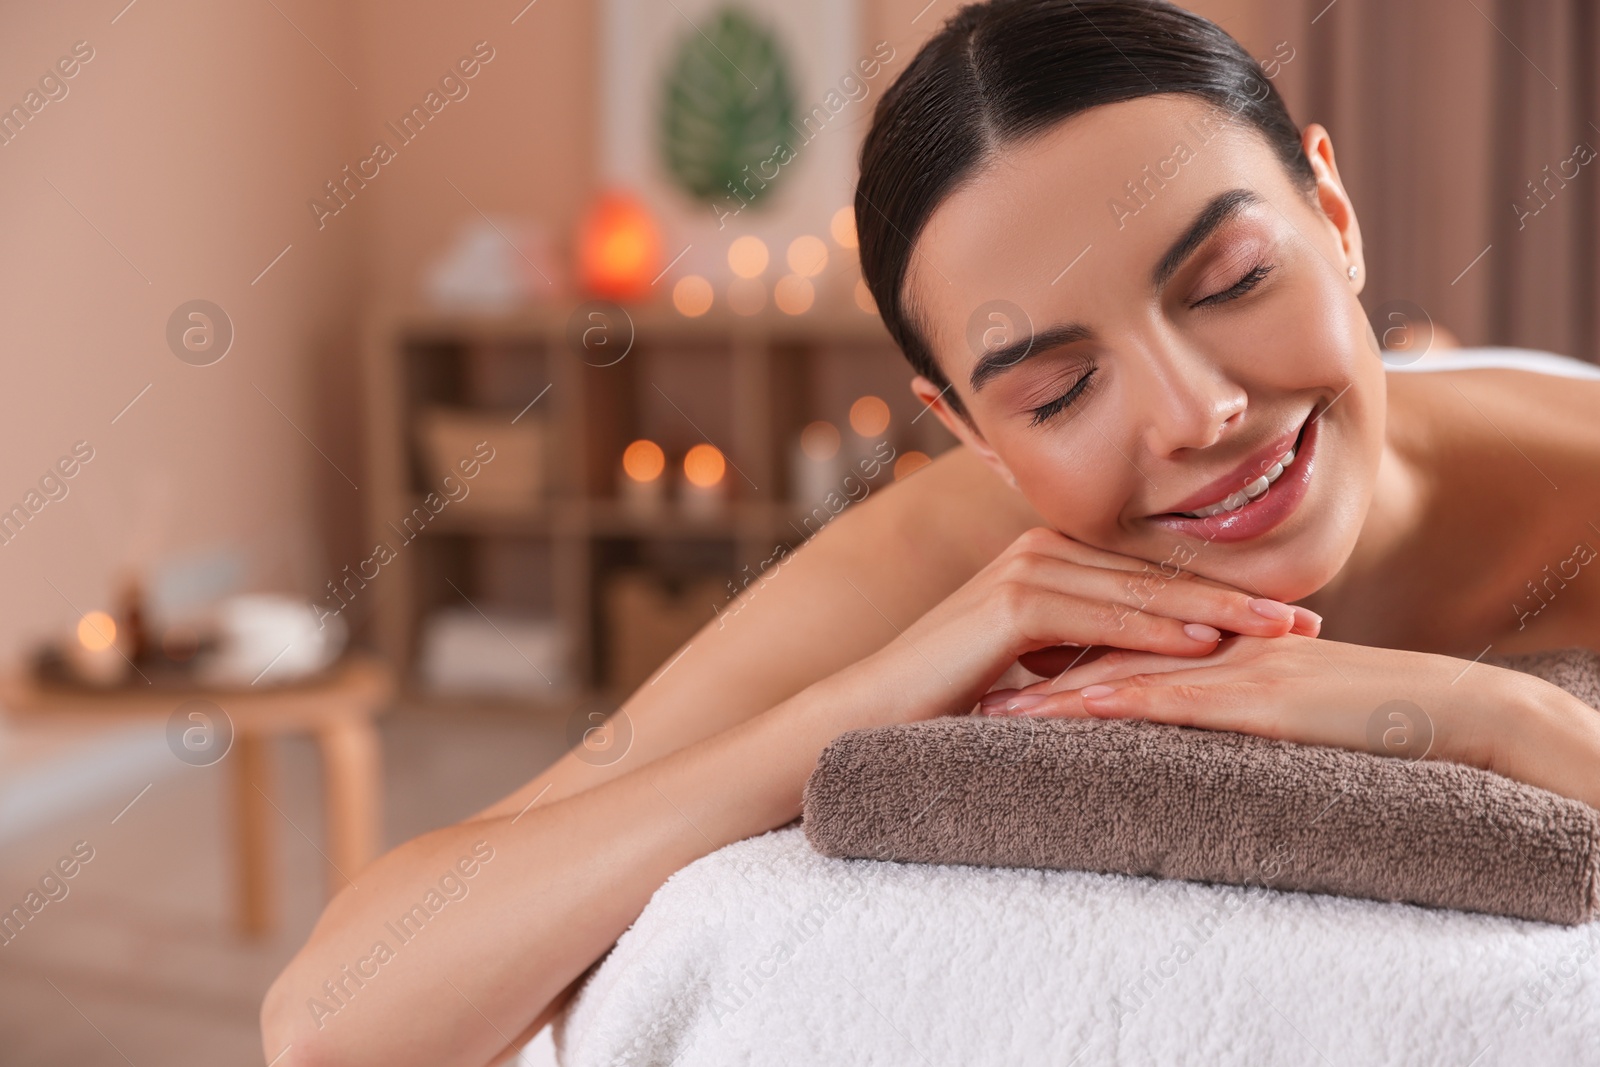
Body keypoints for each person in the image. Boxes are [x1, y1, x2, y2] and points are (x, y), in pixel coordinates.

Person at [260, 2, 1600, 1064]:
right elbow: (335, 1019)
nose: (1200, 413)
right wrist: (853, 704)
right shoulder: (949, 555)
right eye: (1058, 389)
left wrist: (1508, 727)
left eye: (1234, 280)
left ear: (1338, 217)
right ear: (964, 427)